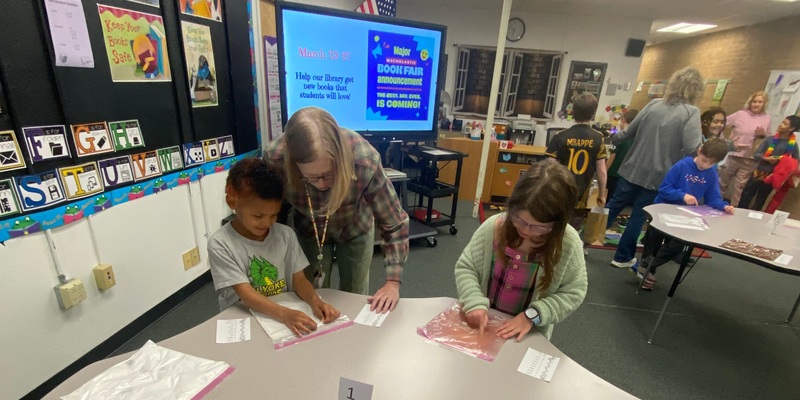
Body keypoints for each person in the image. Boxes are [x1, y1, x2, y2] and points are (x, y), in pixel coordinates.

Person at [264, 107, 409, 313]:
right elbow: (271, 213)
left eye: (329, 174)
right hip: (308, 228)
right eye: (312, 177)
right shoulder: (275, 158)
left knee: (355, 294)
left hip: (355, 227)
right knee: (309, 295)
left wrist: (393, 282)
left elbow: (394, 222)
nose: (322, 184)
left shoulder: (364, 160)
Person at [454, 158, 588, 340]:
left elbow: (574, 292)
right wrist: (473, 301)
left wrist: (531, 316)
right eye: (519, 220)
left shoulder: (568, 243)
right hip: (484, 327)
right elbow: (466, 267)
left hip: (528, 334)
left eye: (538, 227)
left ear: (558, 223)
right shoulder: (495, 227)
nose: (525, 230)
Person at [208, 158, 341, 336]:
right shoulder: (221, 243)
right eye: (258, 215)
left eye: (273, 215)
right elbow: (246, 294)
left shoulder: (285, 235)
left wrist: (315, 301)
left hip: (280, 313)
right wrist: (284, 314)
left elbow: (299, 280)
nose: (266, 223)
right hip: (242, 318)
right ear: (232, 202)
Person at [604, 66, 704, 269]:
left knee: (612, 207)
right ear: (696, 90)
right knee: (638, 216)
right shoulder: (691, 112)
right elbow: (693, 148)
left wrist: (612, 137)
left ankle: (583, 243)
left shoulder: (654, 104)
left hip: (632, 167)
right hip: (659, 174)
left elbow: (628, 132)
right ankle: (622, 257)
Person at [634, 138, 733, 290]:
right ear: (699, 151)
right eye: (704, 160)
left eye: (710, 163)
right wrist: (682, 195)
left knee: (677, 245)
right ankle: (646, 274)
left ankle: (645, 265)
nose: (705, 165)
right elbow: (664, 189)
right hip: (662, 210)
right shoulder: (682, 165)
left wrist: (724, 207)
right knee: (652, 244)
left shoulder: (711, 173)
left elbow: (713, 198)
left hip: (684, 216)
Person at [546, 93, 608, 231]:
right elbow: (602, 170)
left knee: (555, 224)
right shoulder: (598, 138)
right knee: (573, 227)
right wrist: (602, 194)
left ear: (573, 113)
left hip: (560, 191)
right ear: (593, 114)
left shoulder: (559, 137)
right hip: (581, 193)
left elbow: (549, 166)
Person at [718, 91, 771, 206]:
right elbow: (720, 124)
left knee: (740, 188)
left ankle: (733, 212)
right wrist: (723, 142)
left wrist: (763, 134)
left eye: (759, 102)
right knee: (722, 184)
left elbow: (769, 138)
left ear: (764, 103)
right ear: (750, 102)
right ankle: (713, 205)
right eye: (754, 101)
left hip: (750, 159)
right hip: (733, 155)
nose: (756, 104)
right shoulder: (740, 114)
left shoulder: (766, 118)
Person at [738, 115, 800, 211]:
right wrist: (766, 159)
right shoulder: (769, 139)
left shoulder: (792, 145)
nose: (780, 125)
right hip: (758, 172)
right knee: (746, 194)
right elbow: (756, 154)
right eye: (782, 122)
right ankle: (738, 215)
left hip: (772, 176)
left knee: (761, 200)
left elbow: (795, 162)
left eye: (784, 124)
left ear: (791, 128)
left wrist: (784, 163)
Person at [606, 108, 639, 200]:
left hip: (613, 174)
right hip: (626, 175)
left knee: (607, 200)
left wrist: (604, 172)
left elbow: (612, 157)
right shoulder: (637, 138)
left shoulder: (618, 137)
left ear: (623, 119)